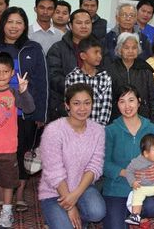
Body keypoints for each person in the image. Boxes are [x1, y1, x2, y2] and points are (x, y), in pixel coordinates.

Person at [0, 6, 48, 213]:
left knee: (21, 155)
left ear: (25, 25)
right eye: (10, 21)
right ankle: (0, 197)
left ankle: (19, 197)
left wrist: (40, 114)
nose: (14, 26)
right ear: (3, 24)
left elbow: (42, 82)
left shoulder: (33, 48)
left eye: (19, 22)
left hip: (25, 111)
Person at [0, 52, 35, 228]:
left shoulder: (15, 92)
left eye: (5, 71)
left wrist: (24, 92)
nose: (1, 75)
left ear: (12, 73)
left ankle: (7, 212)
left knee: (8, 181)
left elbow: (30, 108)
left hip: (8, 148)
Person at [39, 83, 106, 229]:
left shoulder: (98, 130)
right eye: (76, 103)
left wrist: (75, 195)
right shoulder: (54, 130)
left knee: (98, 212)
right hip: (54, 191)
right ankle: (60, 218)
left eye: (87, 103)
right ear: (67, 105)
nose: (82, 108)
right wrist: (70, 207)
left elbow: (94, 166)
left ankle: (74, 219)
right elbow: (54, 172)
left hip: (82, 188)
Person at [103, 85, 154, 229]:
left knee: (153, 207)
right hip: (117, 187)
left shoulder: (151, 128)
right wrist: (125, 172)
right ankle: (124, 214)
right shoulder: (110, 130)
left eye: (131, 100)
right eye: (122, 101)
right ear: (117, 104)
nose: (127, 106)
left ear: (139, 101)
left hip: (145, 186)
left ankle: (135, 214)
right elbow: (104, 164)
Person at [47, 9, 92, 122]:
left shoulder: (99, 49)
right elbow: (53, 76)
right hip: (63, 107)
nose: (83, 26)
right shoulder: (57, 48)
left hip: (92, 108)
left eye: (87, 22)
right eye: (79, 23)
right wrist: (77, 91)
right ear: (70, 26)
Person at [107, 32, 154, 124]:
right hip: (117, 120)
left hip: (143, 119)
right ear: (120, 50)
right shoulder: (111, 70)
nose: (130, 51)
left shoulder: (145, 69)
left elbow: (153, 98)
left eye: (134, 48)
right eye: (126, 48)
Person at [125, 134, 154, 226]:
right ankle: (135, 215)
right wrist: (133, 182)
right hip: (142, 186)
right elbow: (129, 171)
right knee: (137, 197)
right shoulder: (136, 162)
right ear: (146, 153)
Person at [65, 35, 112, 125]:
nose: (99, 56)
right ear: (83, 56)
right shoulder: (72, 77)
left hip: (98, 128)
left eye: (100, 53)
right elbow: (68, 105)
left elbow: (106, 106)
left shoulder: (105, 78)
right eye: (95, 52)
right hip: (76, 127)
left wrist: (98, 129)